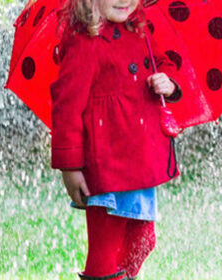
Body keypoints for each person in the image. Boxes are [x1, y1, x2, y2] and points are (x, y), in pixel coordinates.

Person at [49, 0, 183, 278]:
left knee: (144, 240)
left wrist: (167, 81)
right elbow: (67, 106)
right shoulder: (84, 38)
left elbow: (162, 61)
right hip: (107, 164)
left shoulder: (139, 27)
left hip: (140, 160)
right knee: (104, 250)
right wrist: (70, 167)